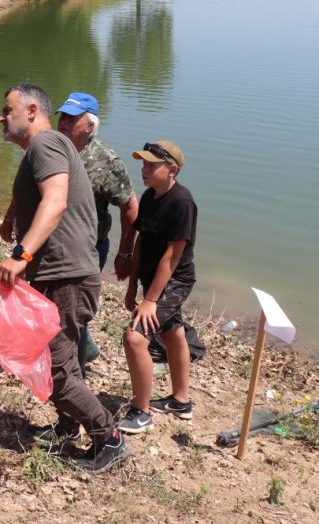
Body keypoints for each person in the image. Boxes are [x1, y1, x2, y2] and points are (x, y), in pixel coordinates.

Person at [0, 84, 127, 472]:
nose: (1, 117)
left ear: (32, 109)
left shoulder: (46, 144)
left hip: (67, 277)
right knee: (63, 362)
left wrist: (21, 255)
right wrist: (13, 223)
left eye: (8, 110)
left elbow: (55, 201)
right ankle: (68, 428)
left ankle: (109, 437)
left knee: (55, 367)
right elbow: (40, 199)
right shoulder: (47, 147)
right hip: (62, 274)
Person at [116, 140, 198, 435]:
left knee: (135, 338)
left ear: (172, 169)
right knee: (172, 331)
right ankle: (180, 401)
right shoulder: (150, 197)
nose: (144, 170)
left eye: (151, 165)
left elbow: (172, 256)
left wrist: (150, 300)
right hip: (152, 280)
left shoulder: (182, 203)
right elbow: (141, 243)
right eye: (143, 164)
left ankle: (141, 412)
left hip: (175, 280)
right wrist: (131, 288)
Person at [55, 92, 138, 375]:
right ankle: (80, 349)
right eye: (62, 116)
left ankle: (74, 371)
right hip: (53, 242)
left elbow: (129, 206)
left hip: (88, 247)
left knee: (75, 308)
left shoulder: (105, 160)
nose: (64, 122)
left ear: (90, 125)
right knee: (55, 303)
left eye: (72, 118)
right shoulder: (53, 149)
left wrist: (125, 253)